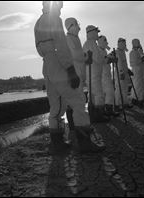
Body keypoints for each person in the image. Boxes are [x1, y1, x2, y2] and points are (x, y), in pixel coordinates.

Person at [34, 1, 105, 154]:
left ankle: (57, 144)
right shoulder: (54, 19)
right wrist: (70, 69)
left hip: (46, 64)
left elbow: (40, 49)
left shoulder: (38, 22)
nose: (61, 8)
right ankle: (85, 143)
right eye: (59, 4)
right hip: (58, 62)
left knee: (56, 105)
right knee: (78, 101)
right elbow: (61, 46)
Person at [83, 25, 110, 122]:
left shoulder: (92, 43)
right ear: (92, 32)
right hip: (93, 74)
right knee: (98, 94)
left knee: (94, 95)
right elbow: (97, 59)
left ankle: (95, 115)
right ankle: (98, 115)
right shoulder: (90, 44)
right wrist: (104, 58)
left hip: (94, 74)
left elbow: (97, 58)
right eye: (96, 32)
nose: (97, 34)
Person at [97, 35, 120, 116]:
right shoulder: (98, 50)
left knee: (107, 93)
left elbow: (106, 59)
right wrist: (111, 59)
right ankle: (108, 110)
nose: (106, 42)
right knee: (110, 92)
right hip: (103, 75)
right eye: (105, 40)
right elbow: (103, 61)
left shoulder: (103, 51)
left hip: (106, 74)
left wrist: (111, 57)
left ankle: (107, 110)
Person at [114, 38, 133, 111]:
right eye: (124, 43)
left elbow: (124, 63)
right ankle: (118, 104)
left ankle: (125, 103)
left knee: (124, 89)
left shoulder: (123, 52)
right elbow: (119, 64)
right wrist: (121, 72)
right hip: (119, 73)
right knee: (119, 89)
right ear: (120, 44)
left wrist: (128, 70)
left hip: (124, 73)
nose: (125, 45)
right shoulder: (117, 52)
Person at [129, 39, 144, 107]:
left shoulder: (137, 52)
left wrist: (142, 59)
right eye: (138, 43)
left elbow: (139, 61)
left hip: (139, 71)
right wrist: (141, 60)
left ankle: (139, 98)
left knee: (139, 85)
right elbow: (133, 63)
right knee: (136, 85)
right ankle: (135, 99)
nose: (139, 44)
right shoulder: (132, 52)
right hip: (136, 71)